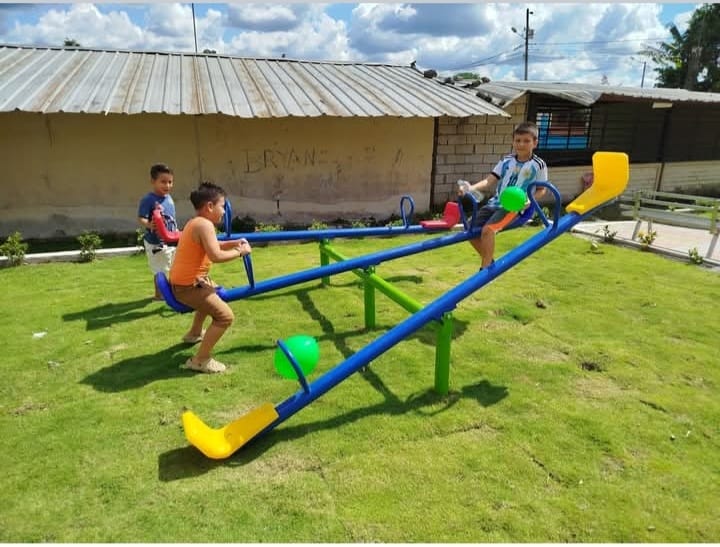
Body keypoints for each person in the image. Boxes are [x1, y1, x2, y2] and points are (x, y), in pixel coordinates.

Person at [169, 182, 252, 374]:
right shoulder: (204, 225)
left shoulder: (196, 222)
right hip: (187, 287)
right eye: (222, 206)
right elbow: (216, 255)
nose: (224, 211)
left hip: (189, 282)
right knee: (225, 317)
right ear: (210, 206)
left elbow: (214, 245)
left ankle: (194, 333)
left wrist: (234, 243)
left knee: (213, 291)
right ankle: (200, 360)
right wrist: (240, 251)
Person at [458, 121, 548, 269]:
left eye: (526, 141)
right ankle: (490, 263)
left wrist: (529, 201)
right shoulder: (506, 161)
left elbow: (542, 190)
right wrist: (470, 188)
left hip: (515, 207)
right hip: (495, 203)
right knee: (469, 229)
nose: (521, 144)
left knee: (488, 230)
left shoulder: (538, 164)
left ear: (535, 143)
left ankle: (484, 270)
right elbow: (489, 181)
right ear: (513, 142)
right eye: (518, 140)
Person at [137, 163, 178, 300]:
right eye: (163, 182)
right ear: (153, 181)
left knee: (172, 266)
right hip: (156, 242)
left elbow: (171, 218)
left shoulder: (169, 198)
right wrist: (149, 224)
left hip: (171, 240)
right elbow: (141, 218)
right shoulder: (149, 199)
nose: (167, 185)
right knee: (160, 269)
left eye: (170, 182)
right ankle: (159, 295)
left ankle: (171, 291)